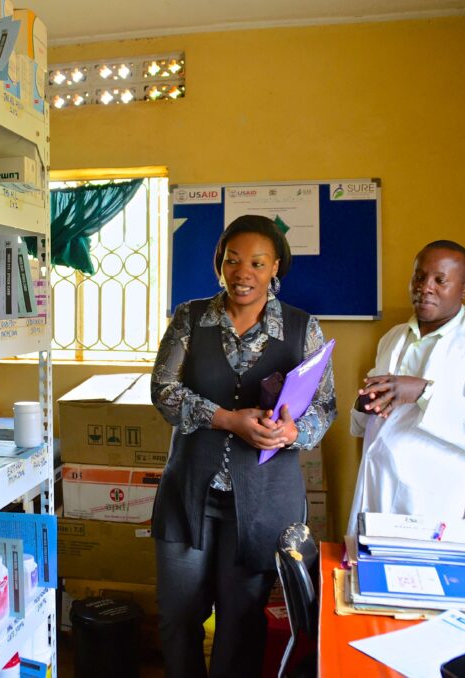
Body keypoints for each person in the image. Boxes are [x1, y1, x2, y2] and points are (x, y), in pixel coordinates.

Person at [150, 214, 336, 678]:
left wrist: (292, 432)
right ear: (220, 264)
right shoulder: (191, 317)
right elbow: (163, 389)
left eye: (257, 262)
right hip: (189, 493)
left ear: (276, 267)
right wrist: (227, 419)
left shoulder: (302, 328)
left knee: (240, 623)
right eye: (232, 260)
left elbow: (325, 407)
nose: (243, 273)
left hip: (263, 501)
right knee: (177, 616)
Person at [347, 240, 465, 535]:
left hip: (436, 503)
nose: (425, 287)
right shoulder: (393, 337)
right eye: (419, 277)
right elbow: (369, 424)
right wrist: (363, 405)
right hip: (378, 489)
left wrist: (423, 393)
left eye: (440, 280)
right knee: (368, 562)